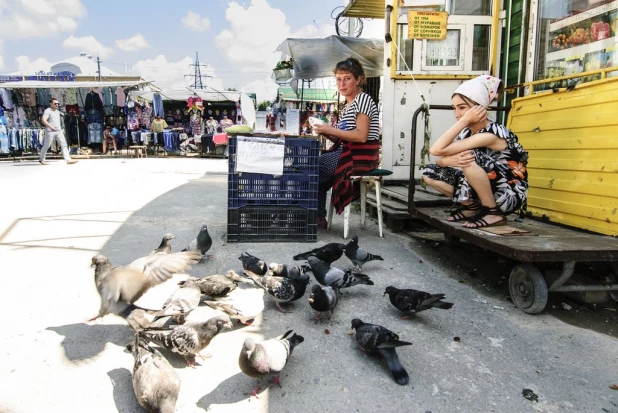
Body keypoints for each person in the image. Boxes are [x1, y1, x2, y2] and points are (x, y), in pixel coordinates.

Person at [421, 75, 529, 228]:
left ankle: (493, 212)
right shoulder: (466, 132)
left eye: (462, 107)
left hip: (507, 193)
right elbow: (439, 156)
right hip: (487, 186)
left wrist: (464, 121)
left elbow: (436, 149)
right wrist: (446, 161)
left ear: (479, 108)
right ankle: (473, 207)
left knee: (468, 156)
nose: (457, 114)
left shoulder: (491, 134)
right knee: (429, 172)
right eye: (454, 108)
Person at [313, 57, 380, 229]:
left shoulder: (363, 100)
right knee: (313, 170)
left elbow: (361, 136)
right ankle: (317, 216)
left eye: (347, 78)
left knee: (313, 169)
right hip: (347, 152)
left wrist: (331, 129)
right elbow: (343, 138)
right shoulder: (348, 106)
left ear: (358, 80)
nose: (342, 84)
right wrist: (325, 132)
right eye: (338, 79)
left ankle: (316, 217)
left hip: (360, 156)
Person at [39, 98, 77, 165]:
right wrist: (51, 127)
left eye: (58, 104)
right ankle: (42, 159)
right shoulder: (47, 111)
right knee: (47, 145)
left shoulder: (57, 111)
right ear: (51, 103)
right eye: (55, 103)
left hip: (58, 130)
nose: (57, 105)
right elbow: (43, 120)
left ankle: (68, 159)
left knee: (64, 144)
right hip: (50, 131)